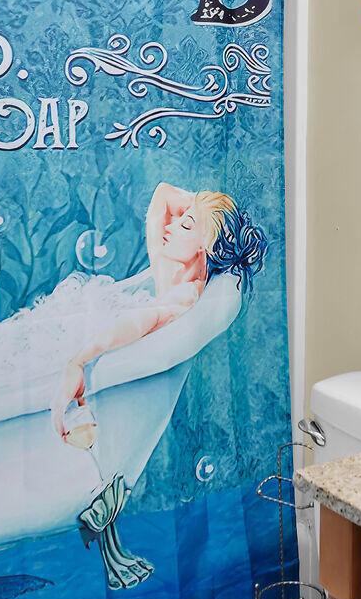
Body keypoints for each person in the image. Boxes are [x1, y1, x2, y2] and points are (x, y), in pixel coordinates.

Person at [53, 183, 262, 446]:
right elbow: (162, 192)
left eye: (185, 226)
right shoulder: (165, 267)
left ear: (208, 248)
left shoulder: (185, 294)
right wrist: (201, 206)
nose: (169, 226)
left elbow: (144, 320)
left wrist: (78, 361)